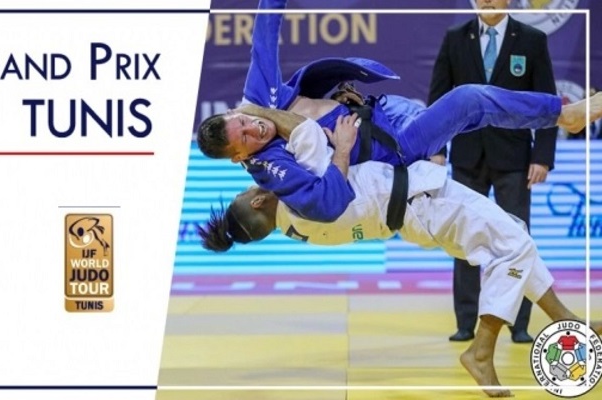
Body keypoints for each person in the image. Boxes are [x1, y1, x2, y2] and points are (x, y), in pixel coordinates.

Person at [197, 112, 601, 398]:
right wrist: (335, 144)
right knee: (513, 246)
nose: (255, 180)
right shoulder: (302, 199)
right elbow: (301, 129)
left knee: (514, 236)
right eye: (248, 190)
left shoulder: (295, 227)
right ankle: (481, 352)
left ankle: (565, 319)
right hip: (423, 202)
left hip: (416, 214)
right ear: (259, 199)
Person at [197, 0, 593, 229]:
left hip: (386, 110)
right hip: (399, 146)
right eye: (244, 138)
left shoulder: (256, 99)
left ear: (235, 110)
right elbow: (326, 205)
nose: (254, 127)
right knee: (470, 100)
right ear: (239, 157)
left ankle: (560, 114)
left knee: (477, 110)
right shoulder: (272, 167)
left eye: (243, 121)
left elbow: (265, 29)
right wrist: (341, 151)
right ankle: (565, 114)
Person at [428, 0, 559, 344]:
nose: (487, 0)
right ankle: (465, 322)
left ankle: (519, 324)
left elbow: (547, 100)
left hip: (515, 158)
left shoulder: (531, 39)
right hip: (467, 157)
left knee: (517, 241)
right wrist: (436, 149)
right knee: (464, 240)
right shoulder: (456, 38)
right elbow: (438, 99)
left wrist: (543, 156)